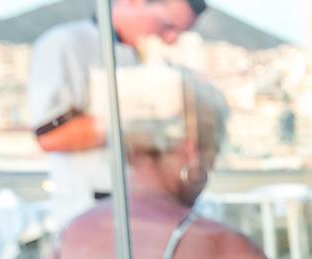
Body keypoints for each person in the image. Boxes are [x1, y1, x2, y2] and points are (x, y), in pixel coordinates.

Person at [32, 68, 312, 259]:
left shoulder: (65, 243)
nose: (211, 168)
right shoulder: (212, 243)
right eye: (213, 152)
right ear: (191, 151)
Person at [27, 0, 206, 222]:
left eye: (180, 33)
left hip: (145, 213)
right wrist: (144, 121)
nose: (171, 40)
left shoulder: (143, 55)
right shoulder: (68, 43)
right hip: (93, 214)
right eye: (167, 26)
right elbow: (50, 136)